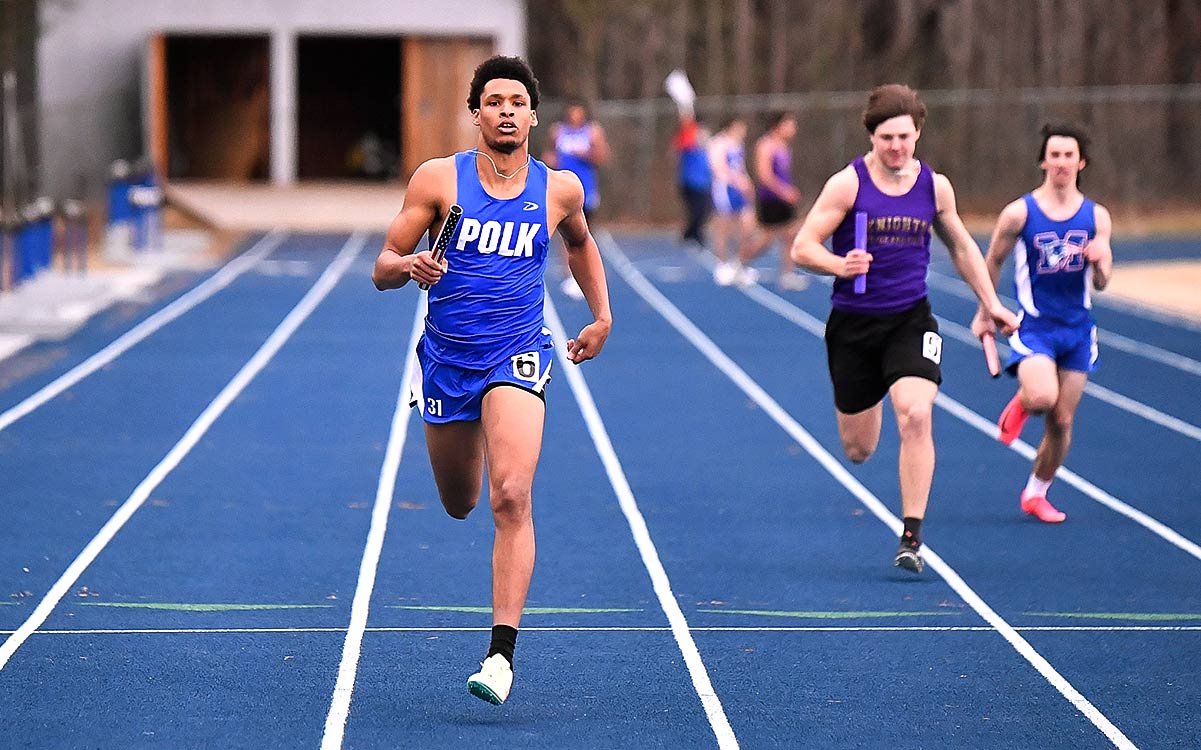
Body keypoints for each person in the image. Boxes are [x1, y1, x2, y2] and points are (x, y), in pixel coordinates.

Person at [372, 55, 612, 704]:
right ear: (475, 111)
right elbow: (381, 265)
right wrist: (410, 265)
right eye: (493, 100)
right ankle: (474, 430)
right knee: (461, 501)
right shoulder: (437, 180)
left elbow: (582, 243)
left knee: (511, 493)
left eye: (517, 101)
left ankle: (500, 656)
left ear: (533, 116)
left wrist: (600, 315)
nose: (505, 110)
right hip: (448, 361)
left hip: (518, 353)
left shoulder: (558, 189)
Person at [789, 84, 1019, 573]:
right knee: (858, 449)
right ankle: (867, 414)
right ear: (872, 137)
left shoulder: (935, 187)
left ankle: (911, 536)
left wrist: (991, 303)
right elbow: (801, 247)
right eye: (887, 137)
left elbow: (961, 247)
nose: (897, 147)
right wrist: (838, 264)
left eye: (906, 137)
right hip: (853, 325)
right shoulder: (847, 185)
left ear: (918, 135)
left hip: (910, 319)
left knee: (915, 414)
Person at [972, 122, 1113, 523]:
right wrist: (986, 308)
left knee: (1062, 421)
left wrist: (1100, 258)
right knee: (1040, 398)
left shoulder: (1096, 217)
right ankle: (1022, 402)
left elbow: (1102, 283)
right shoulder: (1020, 213)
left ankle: (1036, 492)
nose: (1062, 162)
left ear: (1081, 162)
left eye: (1069, 155)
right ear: (1043, 161)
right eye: (1055, 155)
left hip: (1078, 331)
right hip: (1035, 326)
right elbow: (993, 258)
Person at [545, 101, 609, 300]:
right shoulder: (557, 131)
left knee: (585, 233)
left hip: (585, 188)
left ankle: (587, 274)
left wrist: (586, 154)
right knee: (564, 234)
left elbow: (602, 156)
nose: (574, 115)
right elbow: (549, 154)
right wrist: (550, 161)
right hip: (563, 190)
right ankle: (569, 274)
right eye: (571, 111)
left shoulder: (592, 131)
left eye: (578, 111)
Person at [739, 112, 808, 290]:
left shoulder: (784, 146)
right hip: (770, 199)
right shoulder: (765, 145)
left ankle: (787, 274)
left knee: (790, 235)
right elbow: (764, 175)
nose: (793, 129)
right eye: (790, 124)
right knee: (766, 239)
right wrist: (783, 191)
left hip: (783, 200)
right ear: (779, 125)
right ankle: (739, 264)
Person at [707, 117, 756, 286]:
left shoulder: (738, 145)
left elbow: (740, 167)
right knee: (724, 227)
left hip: (740, 188)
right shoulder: (718, 143)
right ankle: (721, 264)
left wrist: (747, 182)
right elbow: (718, 168)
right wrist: (737, 181)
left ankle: (738, 265)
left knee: (747, 226)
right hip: (725, 188)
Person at [673, 110, 713, 247]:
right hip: (690, 182)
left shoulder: (705, 147)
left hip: (703, 182)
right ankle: (691, 234)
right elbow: (681, 141)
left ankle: (694, 233)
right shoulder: (689, 139)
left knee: (705, 210)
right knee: (696, 210)